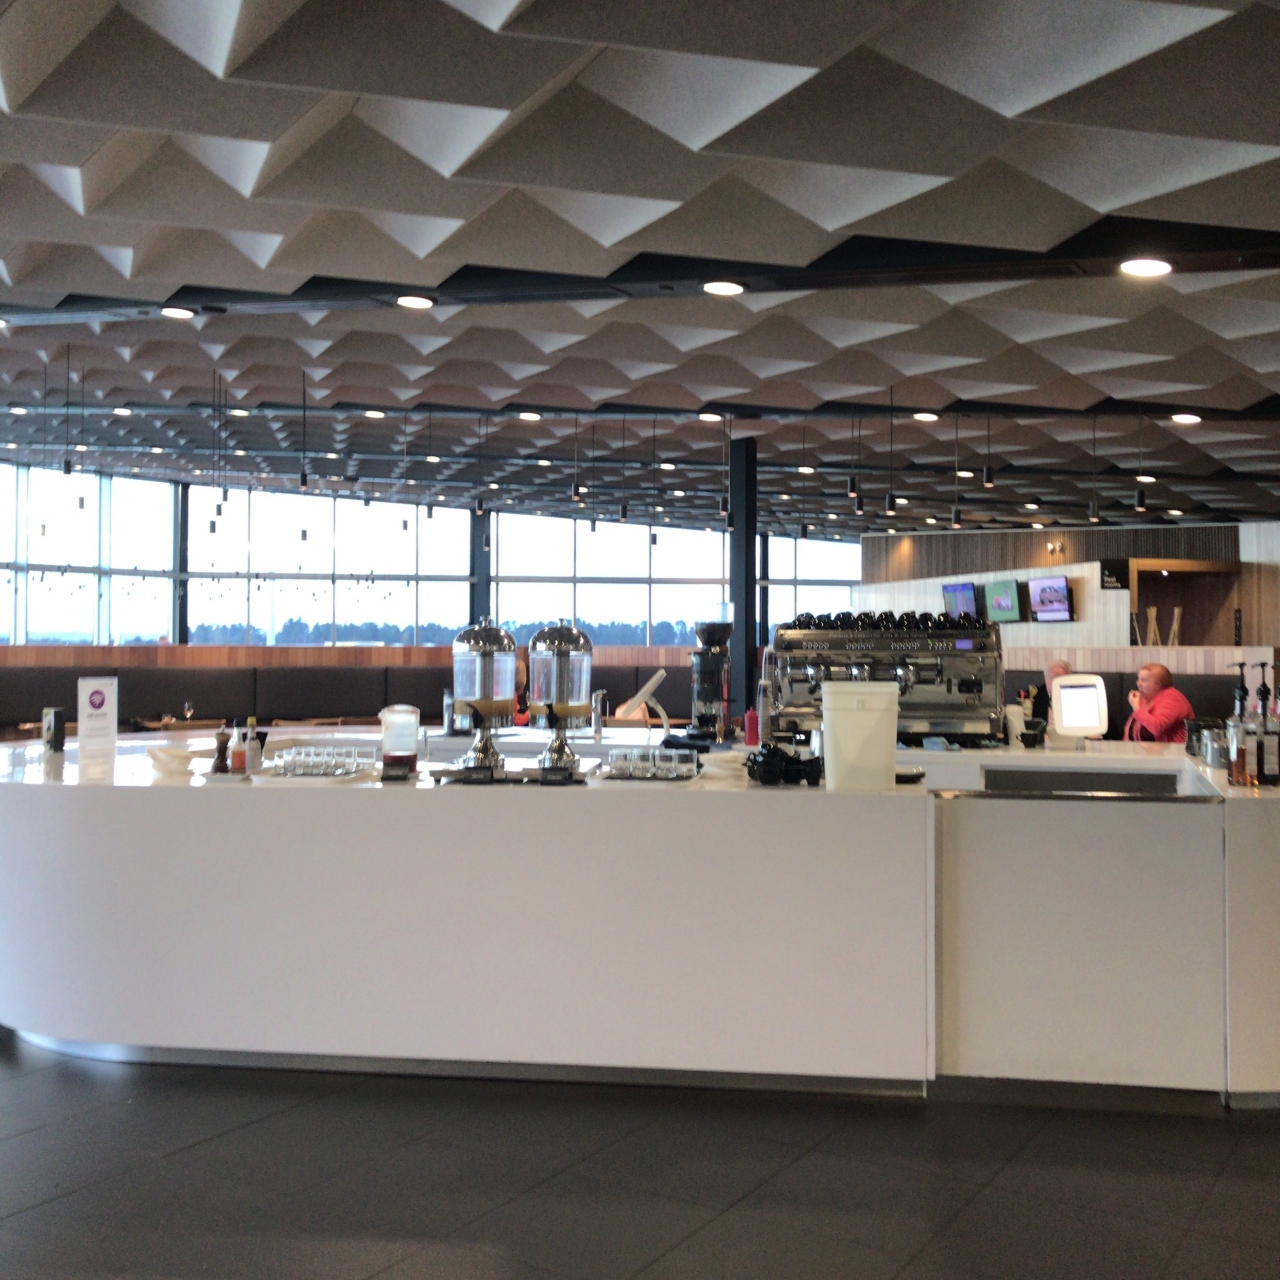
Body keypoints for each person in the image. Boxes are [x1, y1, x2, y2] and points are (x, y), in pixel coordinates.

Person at [1123, 664, 1193, 743]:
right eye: (1138, 679)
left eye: (1143, 680)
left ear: (1158, 684)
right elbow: (1130, 732)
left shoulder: (1173, 699)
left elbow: (1157, 728)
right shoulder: (1145, 698)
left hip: (1173, 749)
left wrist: (1136, 708)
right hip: (1144, 749)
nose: (1138, 683)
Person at [1031, 659, 1072, 724]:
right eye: (1054, 678)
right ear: (1046, 679)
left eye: (1061, 679)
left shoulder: (1075, 697)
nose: (1057, 682)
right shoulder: (1038, 696)